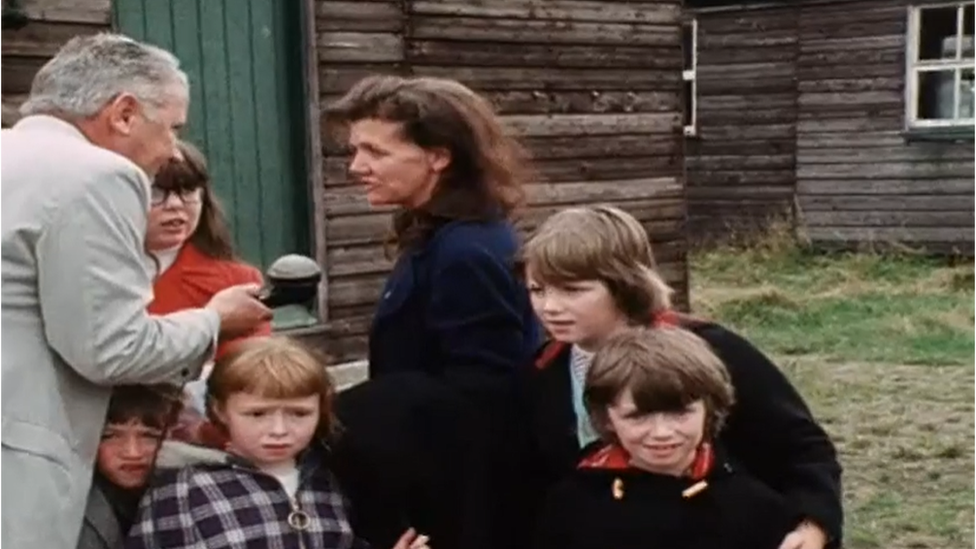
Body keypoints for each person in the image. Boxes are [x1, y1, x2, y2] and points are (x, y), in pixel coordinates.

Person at [0, 33, 271, 549]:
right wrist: (213, 320)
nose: (172, 148)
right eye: (172, 128)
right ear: (124, 113)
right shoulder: (98, 175)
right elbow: (112, 350)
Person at [522, 205, 843, 549]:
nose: (549, 307)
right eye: (538, 290)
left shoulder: (706, 350)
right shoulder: (544, 371)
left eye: (572, 290)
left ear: (625, 284)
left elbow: (801, 447)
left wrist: (814, 523)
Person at [324, 75, 540, 549]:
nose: (357, 166)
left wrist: (350, 412)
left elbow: (484, 394)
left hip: (458, 497)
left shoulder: (467, 251)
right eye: (355, 151)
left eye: (376, 153)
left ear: (439, 157)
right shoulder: (438, 234)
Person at [124, 336, 430, 549]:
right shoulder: (183, 490)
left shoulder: (335, 481)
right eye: (257, 414)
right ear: (220, 410)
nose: (279, 430)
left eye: (299, 413)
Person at [535, 327, 803, 549]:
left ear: (709, 409)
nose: (662, 433)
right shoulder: (574, 502)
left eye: (679, 413)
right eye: (638, 417)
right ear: (607, 418)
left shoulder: (754, 507)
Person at [146, 139, 273, 416]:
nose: (176, 205)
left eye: (188, 190)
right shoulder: (95, 272)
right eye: (157, 192)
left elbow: (249, 376)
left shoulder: (237, 281)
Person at [78, 385, 183, 549]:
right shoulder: (74, 506)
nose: (133, 453)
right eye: (111, 436)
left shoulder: (184, 491)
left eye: (149, 436)